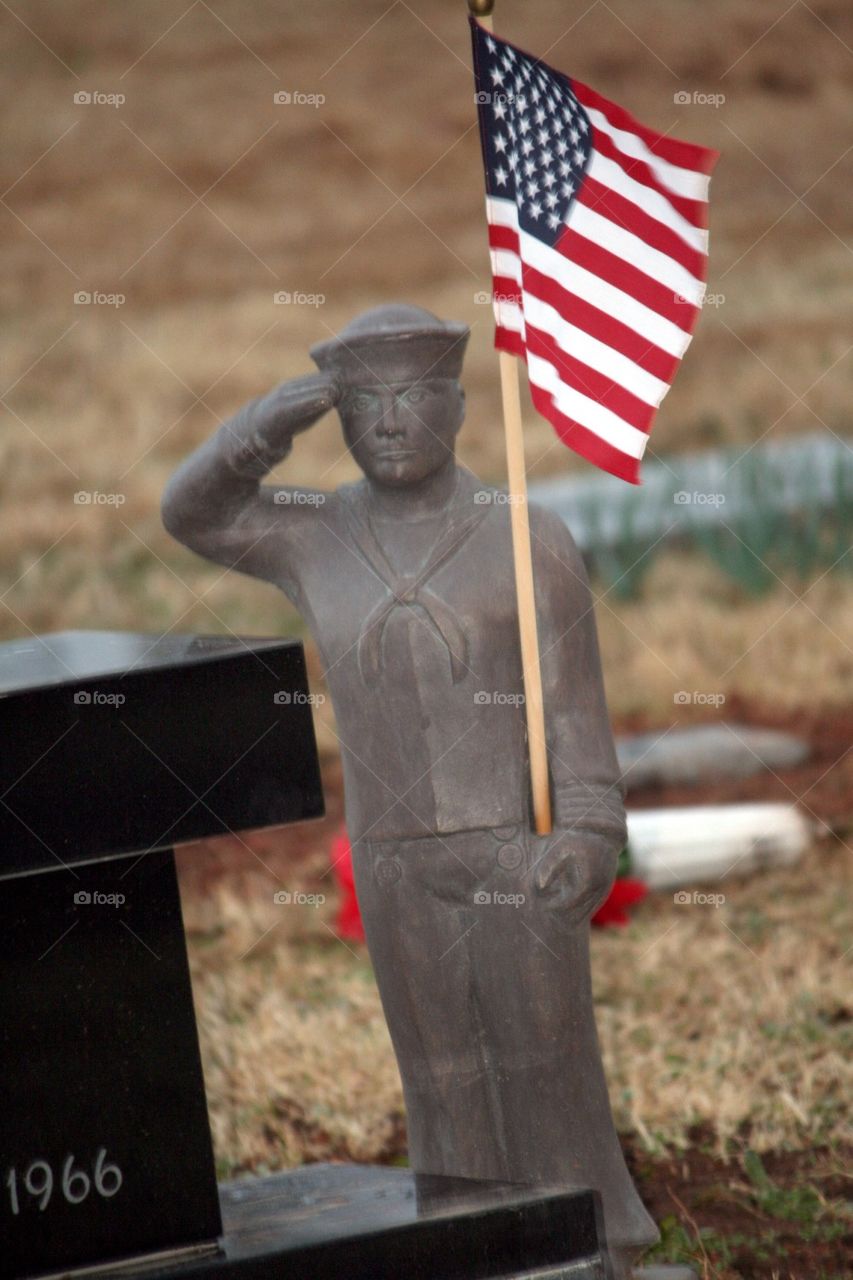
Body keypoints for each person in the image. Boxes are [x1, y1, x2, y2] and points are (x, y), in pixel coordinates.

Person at [161, 303, 659, 1277]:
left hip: (514, 844)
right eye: (364, 402)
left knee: (542, 1058)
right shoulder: (315, 534)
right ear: (339, 419)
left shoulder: (524, 535)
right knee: (442, 1079)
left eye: (412, 395)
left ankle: (583, 1244)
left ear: (461, 405)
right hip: (392, 860)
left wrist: (590, 829)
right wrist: (265, 424)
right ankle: (470, 1246)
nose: (389, 419)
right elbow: (195, 513)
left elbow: (570, 706)